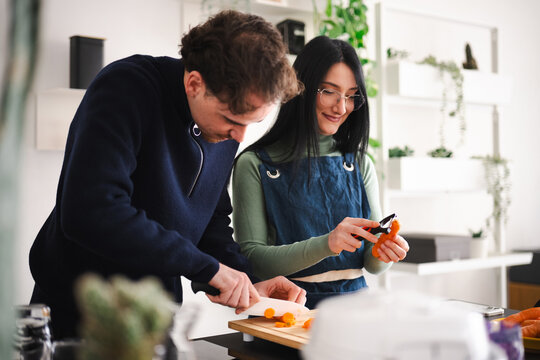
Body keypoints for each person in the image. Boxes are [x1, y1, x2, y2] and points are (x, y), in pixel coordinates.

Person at [29, 10, 306, 339]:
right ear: (194, 83)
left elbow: (210, 223)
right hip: (81, 315)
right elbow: (92, 211)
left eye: (251, 123)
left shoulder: (222, 127)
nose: (240, 137)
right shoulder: (126, 88)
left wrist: (245, 280)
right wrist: (207, 268)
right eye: (233, 119)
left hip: (154, 316)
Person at [232, 36, 409, 309]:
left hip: (355, 311)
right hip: (286, 310)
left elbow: (371, 266)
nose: (341, 107)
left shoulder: (360, 163)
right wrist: (328, 243)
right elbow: (254, 260)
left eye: (351, 96)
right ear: (300, 88)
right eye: (329, 91)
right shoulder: (255, 163)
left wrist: (385, 251)